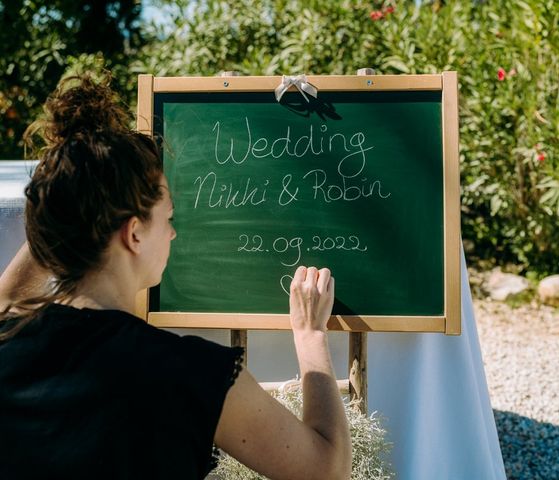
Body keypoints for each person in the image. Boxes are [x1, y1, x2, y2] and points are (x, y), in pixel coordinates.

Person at [0, 75, 351, 480]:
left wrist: (79, 184)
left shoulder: (9, 339)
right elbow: (326, 470)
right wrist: (311, 336)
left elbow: (13, 290)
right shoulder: (193, 372)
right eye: (167, 217)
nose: (173, 233)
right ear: (133, 234)